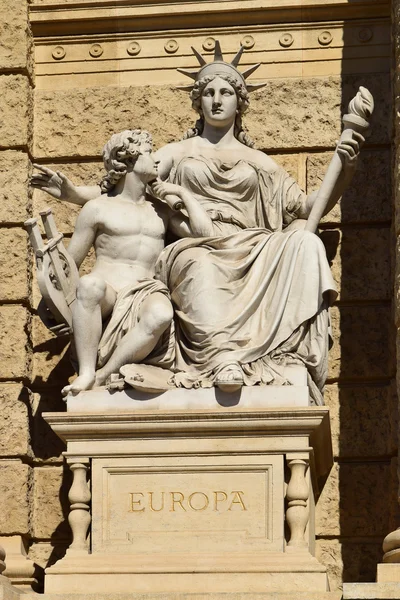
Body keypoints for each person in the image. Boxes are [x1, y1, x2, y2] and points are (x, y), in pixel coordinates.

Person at [31, 43, 364, 403]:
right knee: (200, 263)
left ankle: (280, 353)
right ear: (198, 101)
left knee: (305, 241)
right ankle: (223, 359)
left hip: (252, 243)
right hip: (195, 244)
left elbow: (304, 207)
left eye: (225, 92)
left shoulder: (259, 162)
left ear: (240, 102)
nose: (216, 100)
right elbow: (127, 179)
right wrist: (70, 194)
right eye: (208, 93)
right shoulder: (177, 152)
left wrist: (345, 170)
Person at [59, 128, 213, 396]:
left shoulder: (161, 210)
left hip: (144, 291)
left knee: (162, 314)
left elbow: (205, 234)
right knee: (89, 285)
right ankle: (85, 372)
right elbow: (70, 264)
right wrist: (50, 300)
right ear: (128, 160)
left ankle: (103, 374)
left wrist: (182, 194)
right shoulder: (97, 208)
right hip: (107, 291)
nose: (156, 160)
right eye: (148, 153)